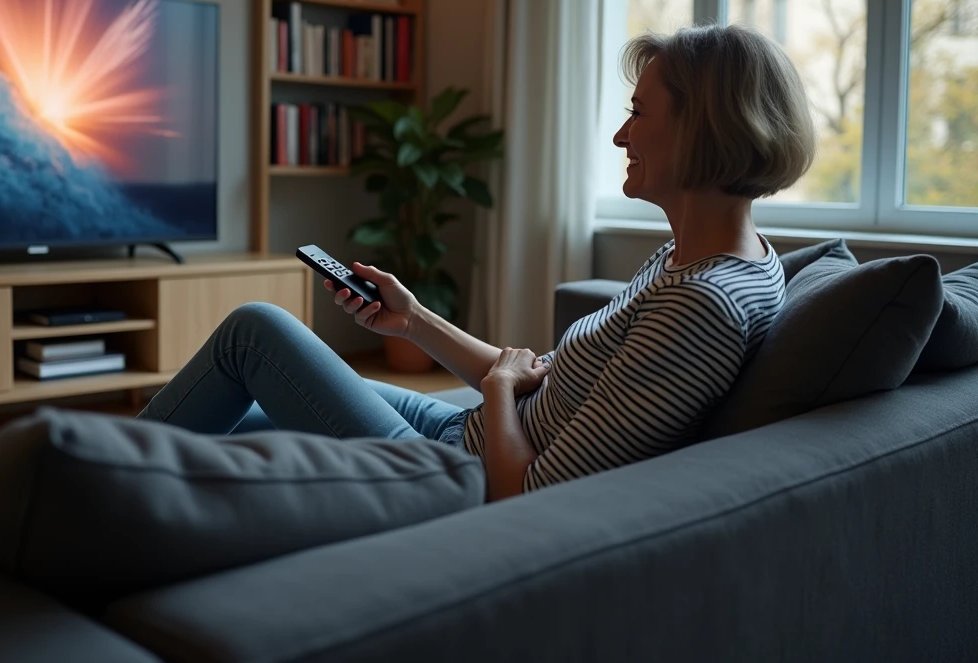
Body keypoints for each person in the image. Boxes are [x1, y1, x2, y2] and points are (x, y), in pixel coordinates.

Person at [139, 24, 815, 501]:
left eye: (638, 113)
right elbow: (530, 381)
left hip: (456, 474)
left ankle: (62, 495)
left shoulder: (702, 305)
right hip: (459, 432)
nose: (619, 134)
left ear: (702, 127)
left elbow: (525, 493)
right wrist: (412, 321)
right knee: (227, 424)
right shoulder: (700, 259)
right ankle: (107, 497)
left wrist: (495, 391)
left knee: (254, 331)